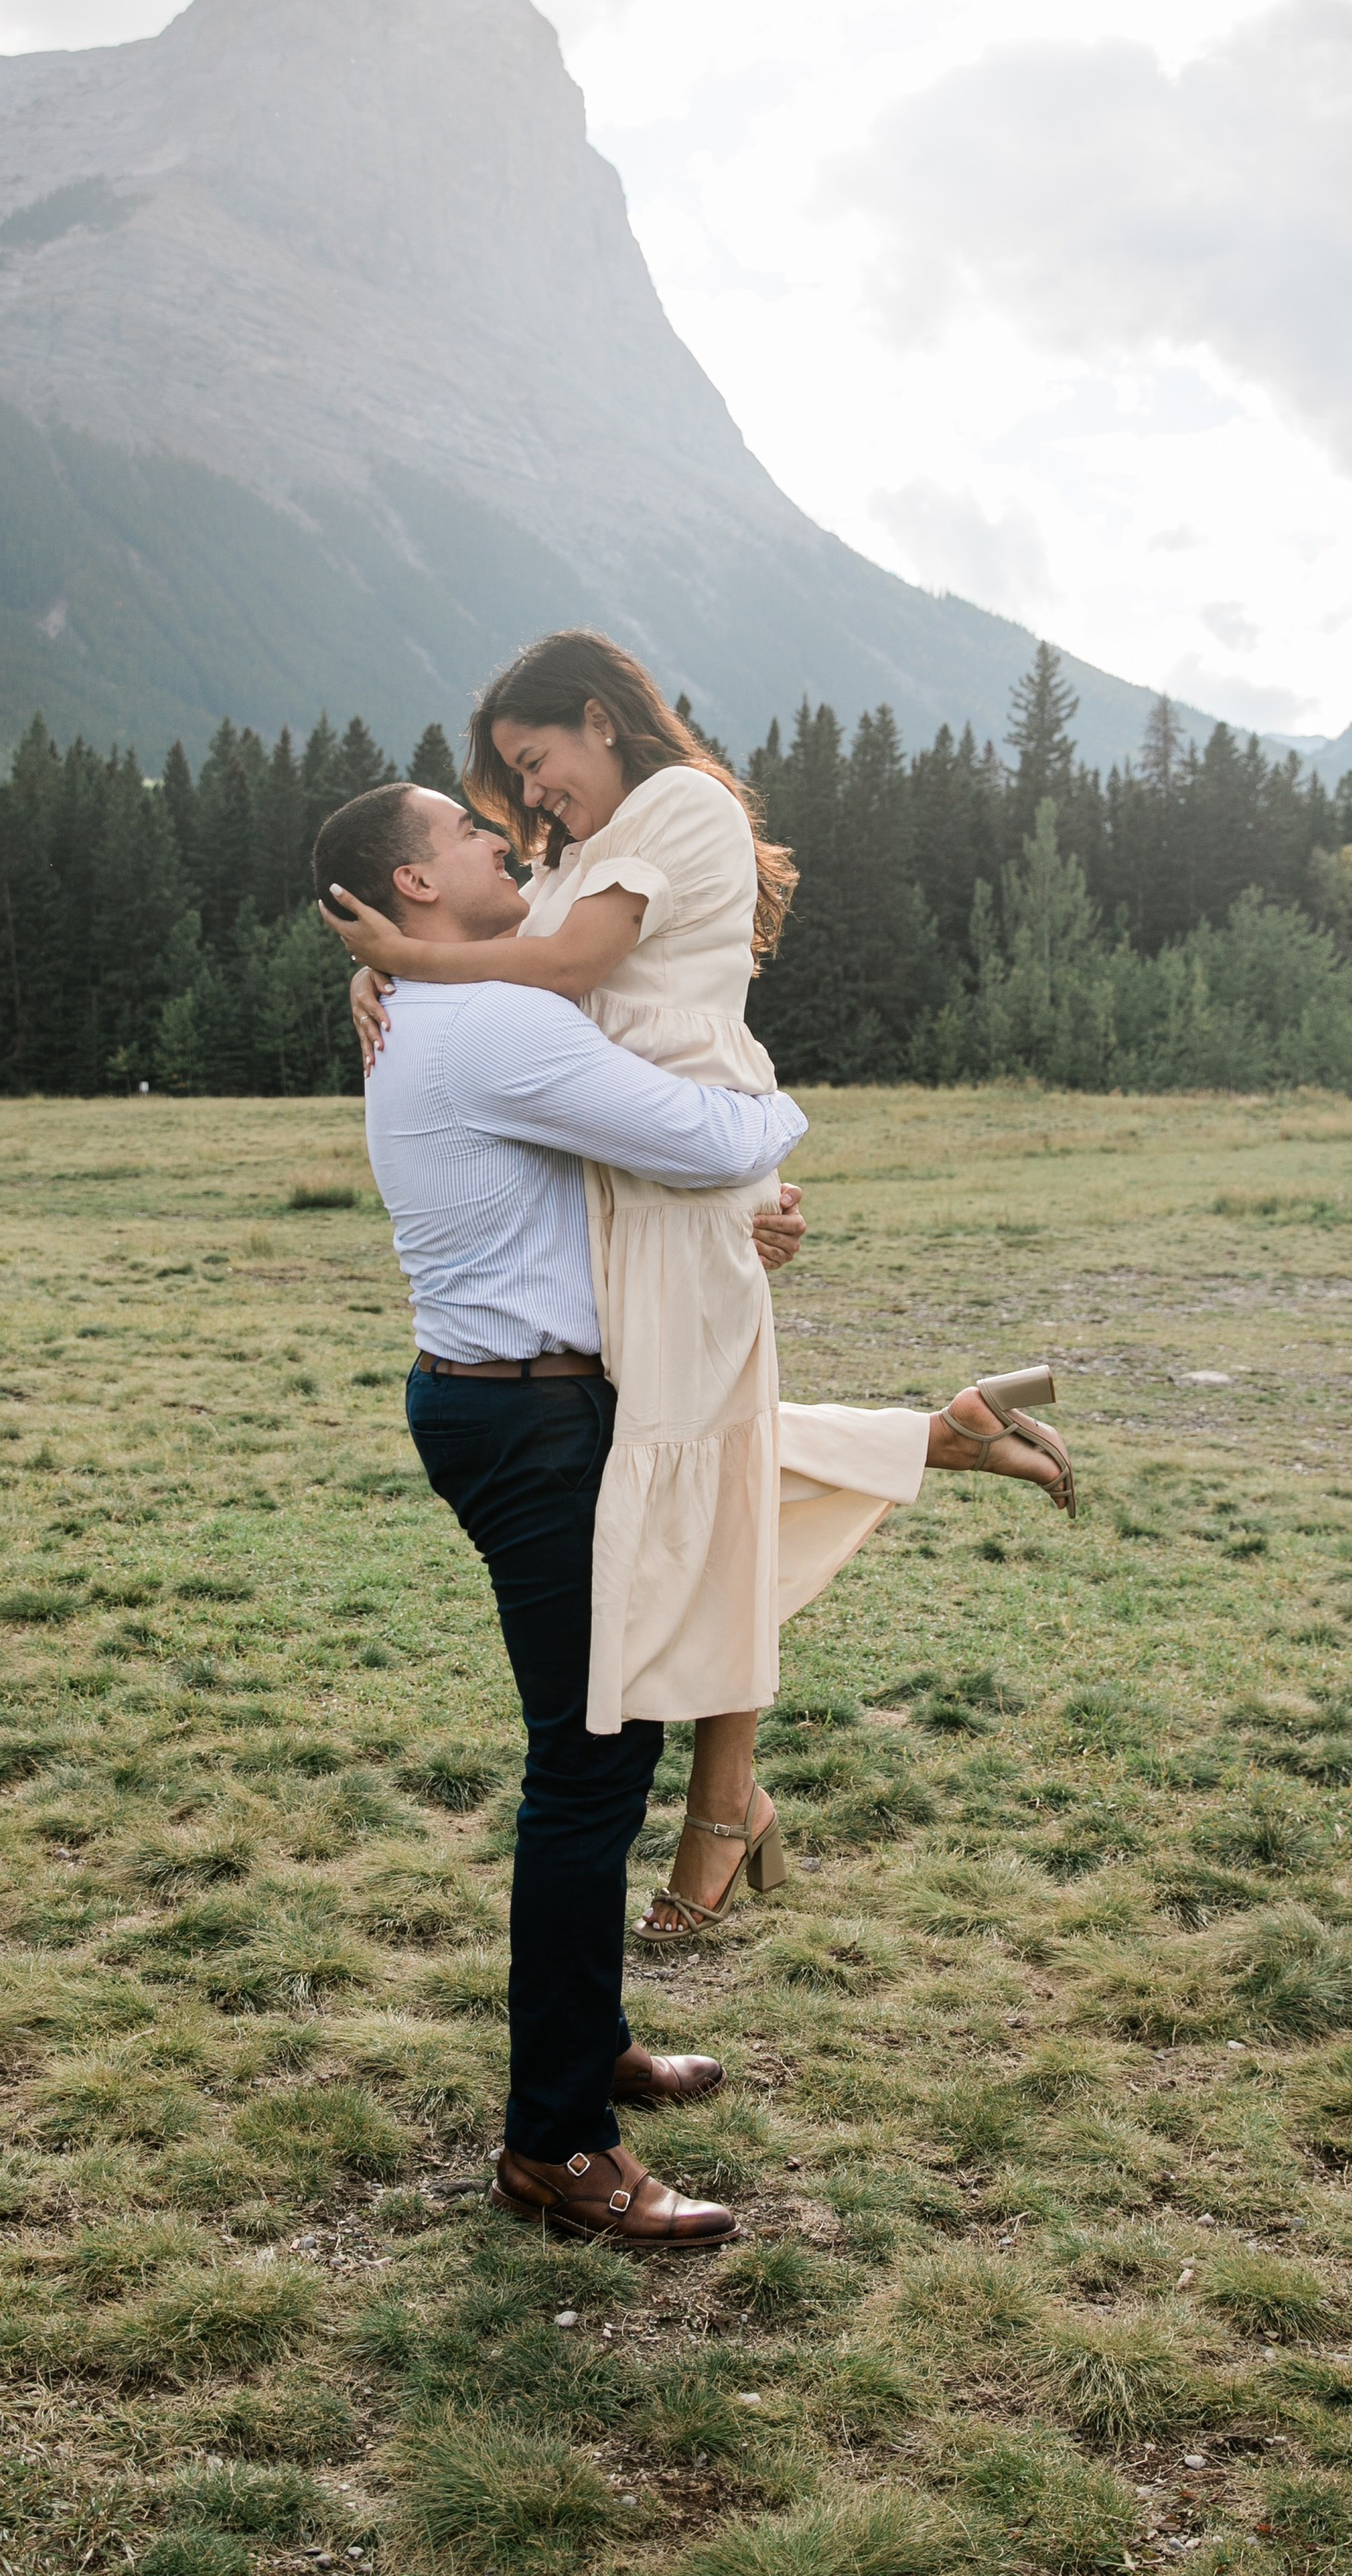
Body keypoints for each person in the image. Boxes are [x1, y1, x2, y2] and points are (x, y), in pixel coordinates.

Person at [318, 776, 1066, 2243]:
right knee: (590, 1767)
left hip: (531, 1395)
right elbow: (716, 1139)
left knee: (612, 1736)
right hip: (533, 1415)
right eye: (467, 835)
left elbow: (624, 1197)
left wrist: (739, 1226)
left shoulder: (444, 1004)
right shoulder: (494, 1019)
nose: (502, 836)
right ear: (414, 888)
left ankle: (583, 2053)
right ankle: (557, 2147)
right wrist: (767, 1105)